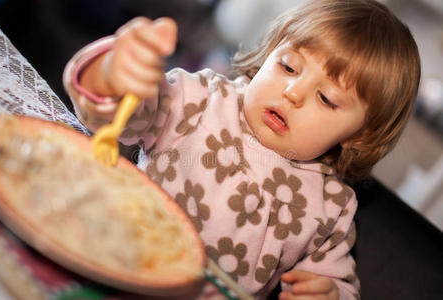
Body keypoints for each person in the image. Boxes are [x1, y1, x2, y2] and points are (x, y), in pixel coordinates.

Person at [63, 0, 420, 299]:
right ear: (267, 54)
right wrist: (113, 73)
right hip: (108, 258)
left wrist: (329, 293)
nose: (292, 92)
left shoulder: (332, 208)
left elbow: (340, 284)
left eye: (326, 99)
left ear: (358, 136)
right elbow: (117, 115)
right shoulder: (198, 99)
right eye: (288, 66)